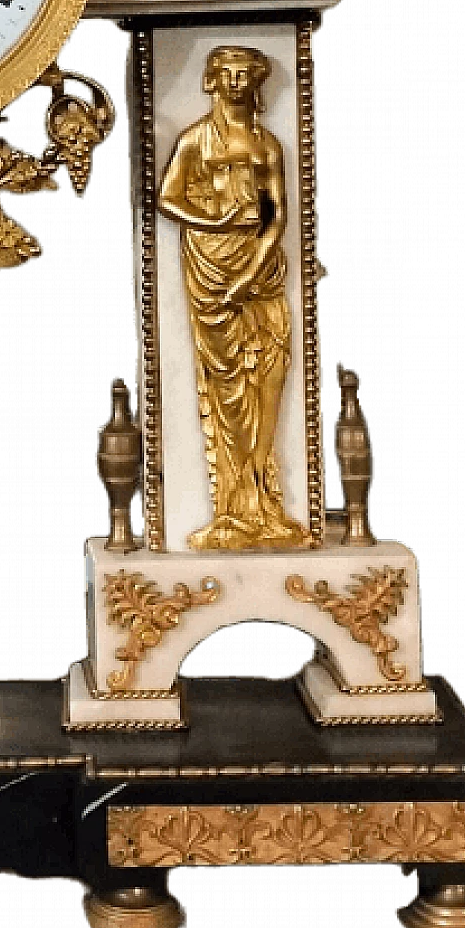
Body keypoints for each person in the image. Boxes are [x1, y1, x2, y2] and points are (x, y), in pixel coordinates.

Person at [156, 45, 311, 550]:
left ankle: (264, 501)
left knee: (270, 368)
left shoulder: (267, 144)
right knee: (225, 386)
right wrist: (215, 221)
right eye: (228, 72)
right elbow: (167, 198)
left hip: (259, 269)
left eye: (247, 72)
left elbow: (278, 216)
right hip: (209, 266)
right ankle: (232, 505)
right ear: (212, 79)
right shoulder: (197, 138)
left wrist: (255, 266)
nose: (238, 80)